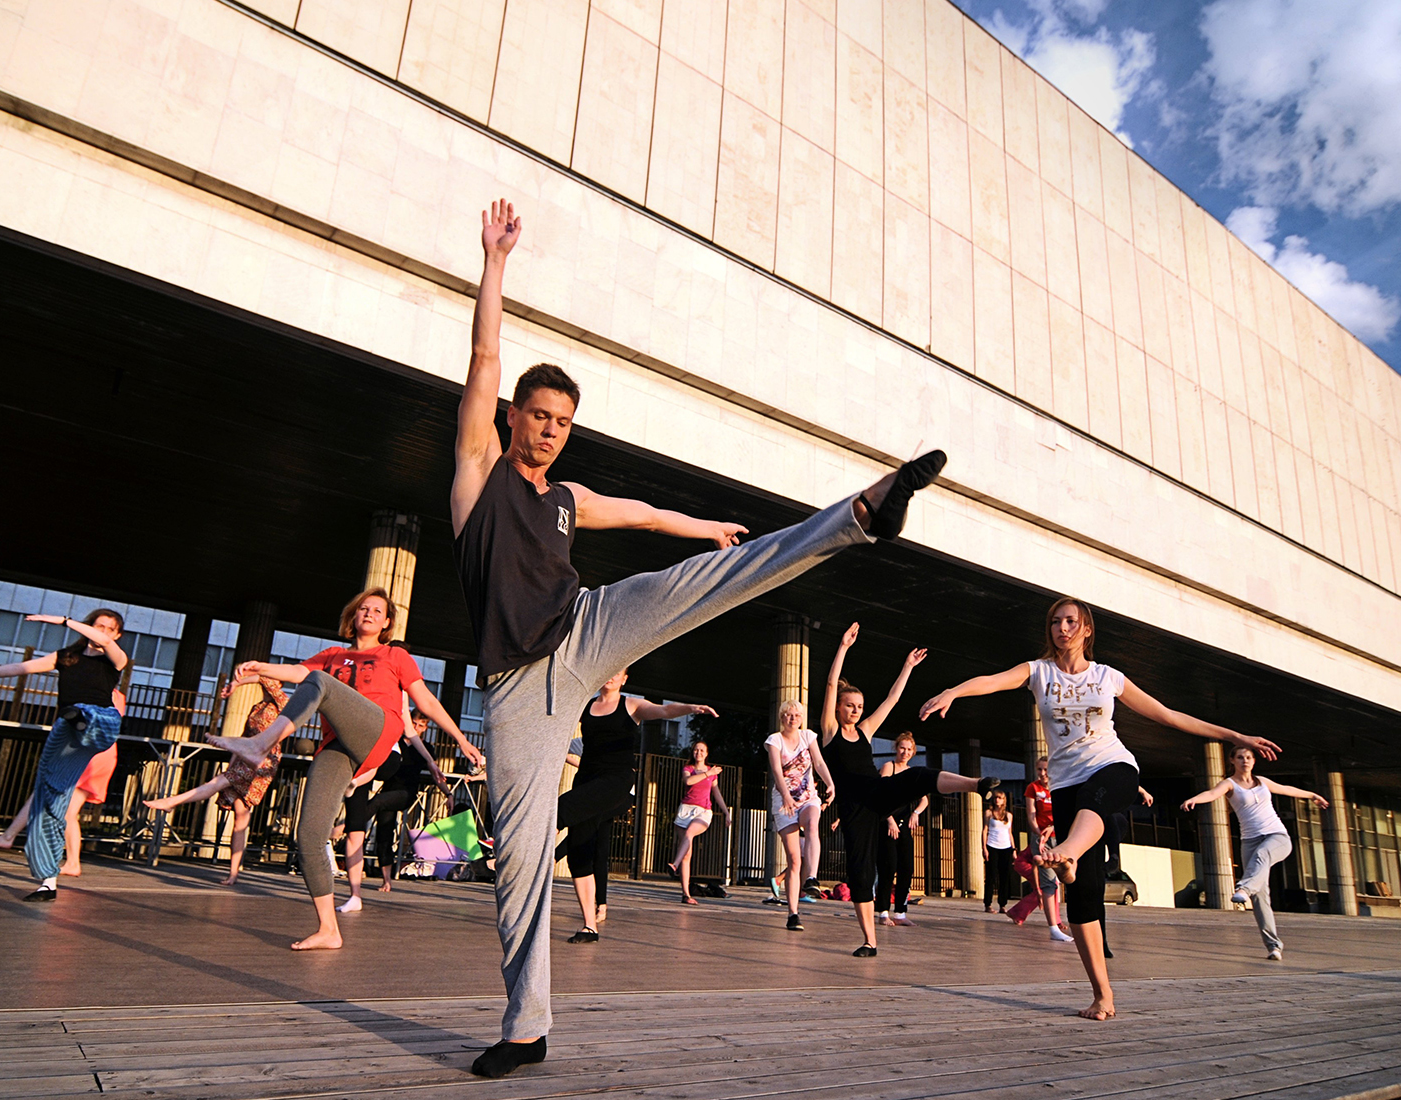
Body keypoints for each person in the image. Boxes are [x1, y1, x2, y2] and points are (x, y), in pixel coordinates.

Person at [453, 199, 947, 1078]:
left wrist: (704, 526)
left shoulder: (565, 499)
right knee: (520, 855)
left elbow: (637, 513)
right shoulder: (478, 478)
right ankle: (526, 1028)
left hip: (587, 628)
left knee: (707, 582)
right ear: (514, 416)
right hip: (519, 687)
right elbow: (485, 360)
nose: (549, 429)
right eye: (538, 415)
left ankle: (863, 514)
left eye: (563, 421)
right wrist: (494, 265)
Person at [918, 595, 1281, 1020]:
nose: (1063, 628)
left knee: (1095, 804)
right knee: (1084, 896)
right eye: (1055, 622)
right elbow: (991, 680)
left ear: (1087, 630)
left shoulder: (1109, 677)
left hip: (1114, 768)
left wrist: (1235, 736)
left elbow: (1168, 716)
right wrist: (953, 691)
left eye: (1071, 621)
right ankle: (1102, 995)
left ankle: (1068, 853)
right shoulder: (1039, 673)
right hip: (1067, 786)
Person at [204, 586, 481, 950]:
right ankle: (329, 930)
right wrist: (258, 667)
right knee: (309, 835)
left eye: (376, 611)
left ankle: (260, 745)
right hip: (338, 745)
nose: (368, 613)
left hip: (379, 729)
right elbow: (294, 671)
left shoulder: (394, 655)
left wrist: (460, 739)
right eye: (362, 609)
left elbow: (425, 700)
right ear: (352, 617)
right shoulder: (334, 654)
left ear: (386, 623)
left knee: (320, 682)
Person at [821, 624, 997, 956]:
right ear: (839, 708)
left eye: (859, 706)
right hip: (854, 808)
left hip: (877, 792)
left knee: (917, 776)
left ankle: (976, 785)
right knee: (861, 873)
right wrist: (843, 647)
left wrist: (907, 667)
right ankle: (870, 941)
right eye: (850, 706)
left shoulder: (865, 731)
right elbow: (831, 684)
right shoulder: (830, 732)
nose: (856, 710)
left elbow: (892, 699)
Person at [0, 610, 129, 900]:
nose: (104, 632)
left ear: (116, 635)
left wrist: (64, 621)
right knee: (49, 797)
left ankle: (82, 717)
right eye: (99, 626)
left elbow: (104, 644)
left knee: (94, 716)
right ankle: (48, 881)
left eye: (110, 629)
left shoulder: (115, 660)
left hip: (99, 727)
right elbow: (19, 669)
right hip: (67, 732)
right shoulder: (66, 657)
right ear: (89, 627)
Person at [561, 670, 715, 942]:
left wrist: (690, 708)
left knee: (558, 810)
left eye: (616, 673)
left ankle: (505, 849)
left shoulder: (630, 705)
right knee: (578, 851)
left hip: (616, 780)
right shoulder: (585, 706)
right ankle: (589, 926)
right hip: (586, 780)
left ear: (624, 678)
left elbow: (665, 711)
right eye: (607, 670)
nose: (610, 676)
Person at [1182, 745, 1328, 960]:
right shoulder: (1229, 784)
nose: (1245, 761)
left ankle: (1244, 887)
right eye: (1240, 757)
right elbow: (1212, 793)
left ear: (1253, 761)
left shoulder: (1263, 782)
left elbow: (1287, 789)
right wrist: (1195, 799)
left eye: (1249, 757)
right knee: (1261, 899)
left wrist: (1312, 795)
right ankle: (1273, 946)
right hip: (1249, 841)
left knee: (1263, 855)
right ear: (1232, 760)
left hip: (1277, 837)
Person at [141, 678, 291, 885]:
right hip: (244, 756)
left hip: (264, 760)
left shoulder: (283, 704)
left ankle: (171, 802)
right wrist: (232, 762)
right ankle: (233, 873)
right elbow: (244, 737)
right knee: (241, 815)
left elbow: (263, 678)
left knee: (219, 783)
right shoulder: (257, 707)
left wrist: (241, 681)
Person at [337, 706, 453, 912]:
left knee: (378, 802)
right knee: (384, 830)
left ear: (425, 728)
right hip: (389, 789)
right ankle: (387, 880)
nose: (416, 728)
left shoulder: (425, 748)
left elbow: (436, 775)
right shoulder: (396, 743)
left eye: (421, 726)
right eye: (414, 724)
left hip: (405, 794)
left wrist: (448, 793)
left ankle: (347, 825)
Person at [766, 700, 835, 932]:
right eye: (788, 715)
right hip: (784, 803)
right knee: (794, 860)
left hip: (807, 798)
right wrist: (785, 796)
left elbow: (818, 761)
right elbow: (776, 770)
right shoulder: (775, 740)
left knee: (813, 823)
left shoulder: (808, 736)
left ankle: (812, 878)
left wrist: (830, 783)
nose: (792, 718)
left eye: (797, 715)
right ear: (782, 718)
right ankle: (793, 913)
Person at [1006, 755, 1074, 942]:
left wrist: (1052, 828)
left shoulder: (1061, 785)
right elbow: (1031, 815)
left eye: (1046, 769)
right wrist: (1039, 834)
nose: (1043, 774)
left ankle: (1067, 922)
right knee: (1048, 883)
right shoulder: (1032, 788)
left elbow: (1066, 814)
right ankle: (1053, 928)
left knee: (1066, 879)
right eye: (1039, 770)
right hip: (1042, 841)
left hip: (1061, 838)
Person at [668, 740, 732, 905]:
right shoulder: (688, 769)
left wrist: (726, 812)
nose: (699, 753)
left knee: (690, 833)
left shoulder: (712, 773)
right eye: (696, 750)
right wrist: (707, 774)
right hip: (685, 810)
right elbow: (688, 781)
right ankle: (686, 894)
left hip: (703, 811)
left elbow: (716, 793)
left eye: (702, 750)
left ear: (707, 753)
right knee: (687, 854)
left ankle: (673, 865)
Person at [875, 731, 928, 926]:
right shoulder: (889, 767)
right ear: (896, 749)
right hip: (888, 823)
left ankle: (900, 912)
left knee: (906, 868)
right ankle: (882, 911)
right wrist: (889, 819)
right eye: (902, 748)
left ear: (913, 752)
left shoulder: (912, 773)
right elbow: (880, 795)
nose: (905, 752)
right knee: (887, 867)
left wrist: (916, 813)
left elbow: (924, 799)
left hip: (905, 825)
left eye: (909, 749)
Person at [982, 791, 1016, 913]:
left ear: (1004, 800)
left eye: (1000, 798)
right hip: (992, 845)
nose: (997, 800)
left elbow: (1010, 833)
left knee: (1005, 877)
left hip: (1006, 847)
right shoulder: (989, 813)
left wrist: (1014, 850)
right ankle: (988, 904)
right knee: (991, 876)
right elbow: (985, 830)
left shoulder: (1009, 815)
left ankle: (1003, 904)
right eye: (996, 797)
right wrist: (984, 848)